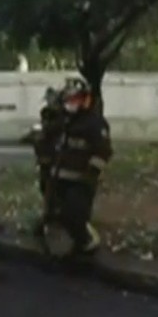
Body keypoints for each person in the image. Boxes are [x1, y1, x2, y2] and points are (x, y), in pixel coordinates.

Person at [47, 77, 112, 255]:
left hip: (81, 180)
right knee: (56, 215)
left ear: (85, 99)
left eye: (74, 100)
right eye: (68, 100)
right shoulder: (65, 121)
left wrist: (91, 173)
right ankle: (73, 248)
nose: (71, 104)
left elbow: (103, 151)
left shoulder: (94, 123)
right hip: (59, 177)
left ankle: (88, 241)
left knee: (75, 215)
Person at [33, 86, 65, 235]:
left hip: (55, 159)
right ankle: (50, 216)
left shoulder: (62, 117)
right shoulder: (47, 114)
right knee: (46, 188)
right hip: (45, 160)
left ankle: (53, 217)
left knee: (54, 190)